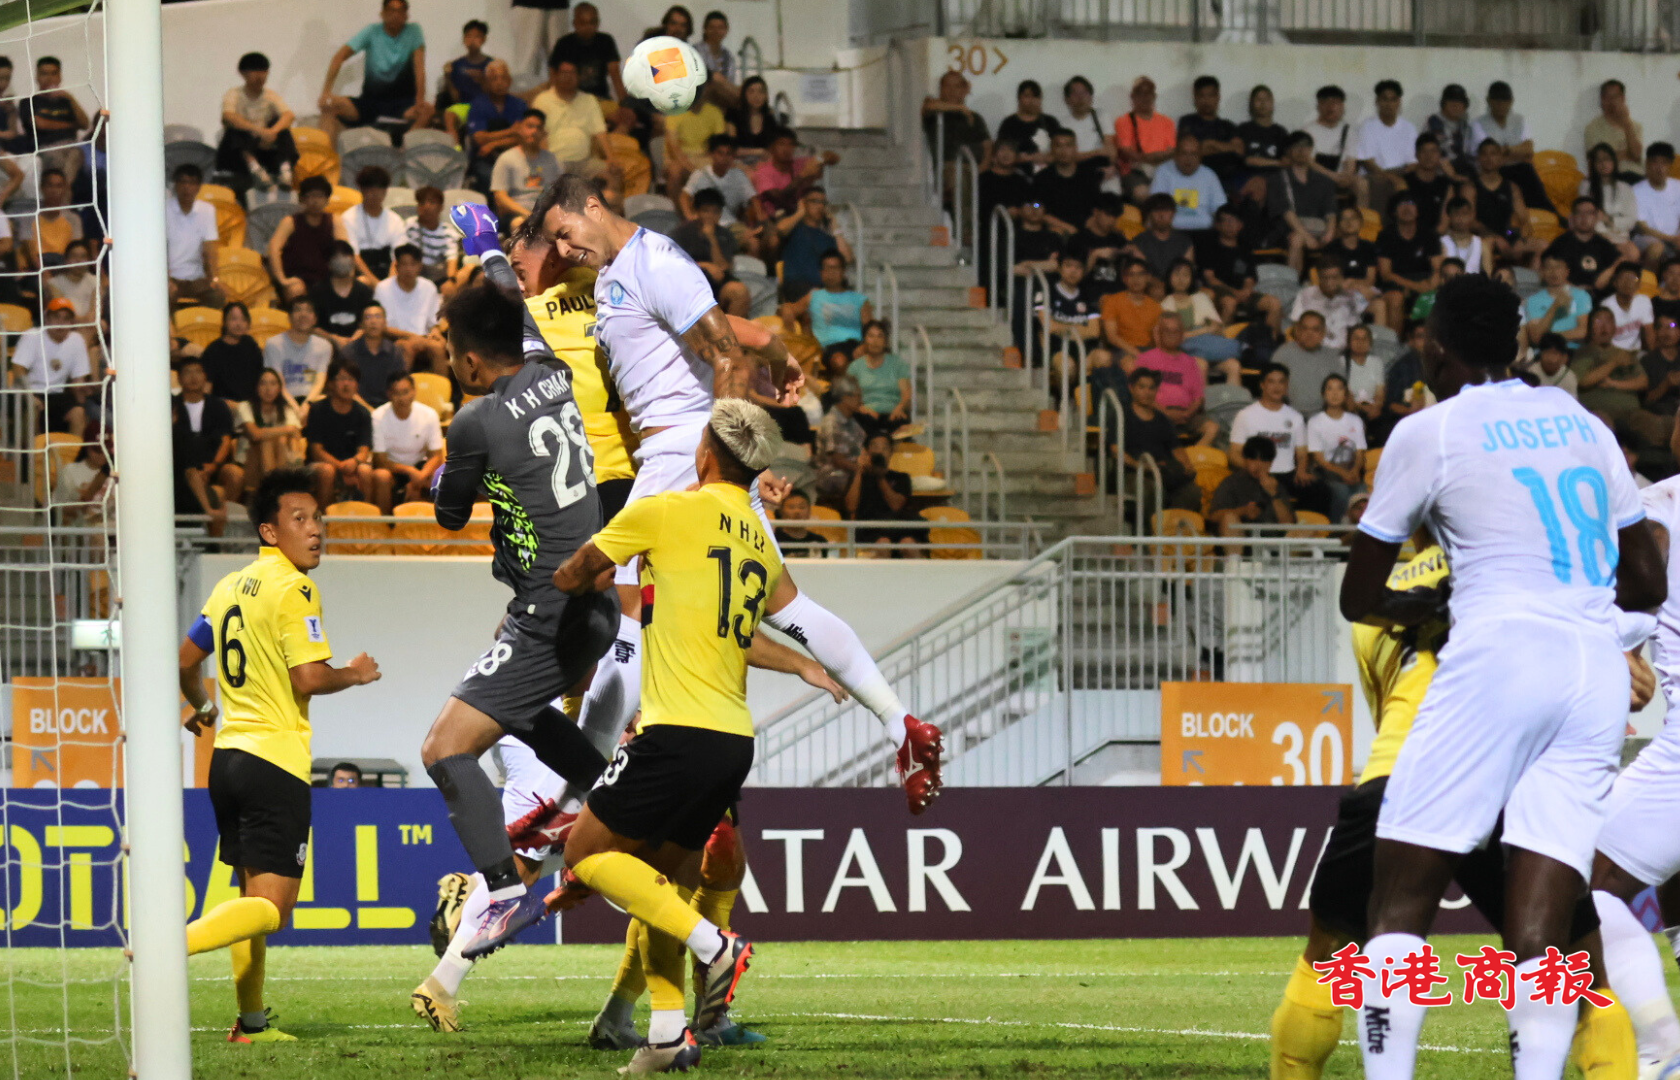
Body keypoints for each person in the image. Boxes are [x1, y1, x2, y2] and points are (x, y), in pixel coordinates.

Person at [512, 179, 944, 828]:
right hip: (691, 453)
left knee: (628, 612)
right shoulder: (615, 274)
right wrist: (777, 352)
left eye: (566, 235)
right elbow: (739, 335)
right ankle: (900, 724)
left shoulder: (656, 260)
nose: (566, 249)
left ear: (593, 208)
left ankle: (564, 803)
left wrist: (724, 464)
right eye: (557, 243)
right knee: (784, 605)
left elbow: (723, 355)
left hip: (681, 455)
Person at [1341, 271, 1664, 1080]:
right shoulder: (1583, 422)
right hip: (1591, 675)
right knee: (1542, 927)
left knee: (1399, 900)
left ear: (1433, 347)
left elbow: (1358, 595)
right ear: (1517, 343)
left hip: (1499, 656)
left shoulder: (1431, 430)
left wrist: (1423, 604)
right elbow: (1647, 582)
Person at [1268, 542, 1644, 1079]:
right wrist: (1618, 662)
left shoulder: (1376, 605)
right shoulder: (1525, 567)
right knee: (1585, 979)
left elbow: (1388, 706)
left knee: (1327, 957)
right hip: (1507, 781)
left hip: (1402, 771)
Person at [544, 400, 791, 1071]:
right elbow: (745, 626)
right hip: (733, 737)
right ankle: (665, 1034)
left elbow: (572, 574)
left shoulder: (661, 511)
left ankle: (715, 946)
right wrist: (808, 663)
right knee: (667, 883)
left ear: (703, 453)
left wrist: (581, 576)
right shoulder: (755, 535)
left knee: (584, 853)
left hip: (674, 727)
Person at [177, 467, 381, 1042]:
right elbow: (309, 678)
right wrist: (355, 673)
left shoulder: (228, 586)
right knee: (273, 910)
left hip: (228, 760)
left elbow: (186, 661)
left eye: (318, 518)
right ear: (270, 531)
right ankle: (169, 946)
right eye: (300, 519)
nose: (315, 529)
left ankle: (251, 1023)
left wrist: (205, 708)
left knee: (250, 899)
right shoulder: (296, 588)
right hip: (274, 763)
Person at [317, 0, 432, 141]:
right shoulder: (372, 31)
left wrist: (420, 100)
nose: (395, 15)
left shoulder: (414, 31)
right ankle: (324, 153)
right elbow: (339, 57)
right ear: (382, 14)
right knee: (329, 105)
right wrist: (326, 92)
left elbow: (419, 68)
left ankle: (404, 149)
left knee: (427, 110)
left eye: (400, 11)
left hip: (403, 105)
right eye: (391, 10)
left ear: (406, 16)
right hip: (370, 103)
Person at [1228, 362, 1329, 515]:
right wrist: (1255, 471)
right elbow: (1234, 453)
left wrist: (1301, 470)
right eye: (1271, 381)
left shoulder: (1295, 417)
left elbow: (1302, 453)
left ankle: (1304, 526)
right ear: (1262, 385)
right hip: (1256, 475)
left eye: (1281, 382)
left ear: (1287, 386)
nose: (1277, 387)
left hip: (1287, 475)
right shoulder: (1245, 415)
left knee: (1321, 490)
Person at [1115, 367, 1201, 512]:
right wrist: (1140, 466)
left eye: (1151, 388)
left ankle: (1172, 525)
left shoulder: (1162, 419)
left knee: (1192, 492)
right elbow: (1115, 450)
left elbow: (1176, 447)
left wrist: (1187, 465)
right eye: (1142, 387)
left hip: (1163, 470)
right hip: (1134, 472)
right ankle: (1151, 526)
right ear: (1131, 388)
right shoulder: (1121, 415)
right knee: (1150, 489)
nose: (1147, 392)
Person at [172, 358, 239, 532]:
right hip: (181, 469)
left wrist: (213, 466)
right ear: (179, 378)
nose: (193, 377)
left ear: (205, 376)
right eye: (188, 372)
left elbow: (225, 440)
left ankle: (223, 528)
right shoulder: (171, 406)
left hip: (213, 465)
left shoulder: (218, 405)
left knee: (234, 474)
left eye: (198, 372)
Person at [1470, 79, 1555, 214]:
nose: (1501, 105)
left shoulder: (1519, 120)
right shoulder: (1478, 124)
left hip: (1519, 169)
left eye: (1505, 100)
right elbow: (1490, 157)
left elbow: (1529, 150)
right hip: (1492, 172)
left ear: (1511, 101)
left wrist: (1507, 150)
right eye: (1497, 100)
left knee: (1528, 172)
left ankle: (1551, 216)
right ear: (1489, 101)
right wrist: (1517, 153)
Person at [1134, 311, 1219, 445]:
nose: (1171, 335)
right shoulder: (1145, 359)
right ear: (1159, 333)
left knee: (1212, 428)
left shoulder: (1190, 362)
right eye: (1167, 331)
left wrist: (1188, 413)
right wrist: (1166, 412)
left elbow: (1198, 397)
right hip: (1156, 413)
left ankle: (1192, 456)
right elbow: (1141, 394)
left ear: (1182, 334)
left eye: (1176, 331)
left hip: (1187, 415)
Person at [303, 359, 378, 507]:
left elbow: (364, 450)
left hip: (352, 464)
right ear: (330, 383)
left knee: (365, 471)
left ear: (357, 385)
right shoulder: (318, 410)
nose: (346, 384)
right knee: (327, 471)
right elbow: (316, 451)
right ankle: (323, 518)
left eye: (351, 379)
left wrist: (355, 462)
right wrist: (340, 466)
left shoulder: (363, 413)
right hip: (321, 465)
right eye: (342, 379)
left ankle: (367, 516)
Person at [11, 297, 90, 437]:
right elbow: (18, 368)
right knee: (33, 407)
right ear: (47, 319)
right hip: (31, 391)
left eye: (66, 319)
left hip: (58, 394)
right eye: (56, 317)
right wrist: (29, 395)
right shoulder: (32, 336)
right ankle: (34, 450)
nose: (61, 323)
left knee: (79, 413)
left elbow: (79, 380)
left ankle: (73, 450)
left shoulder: (77, 340)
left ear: (71, 323)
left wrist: (82, 394)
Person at [218, 52, 297, 191]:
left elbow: (289, 115)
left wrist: (272, 132)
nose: (260, 76)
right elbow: (228, 116)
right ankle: (255, 169)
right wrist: (260, 131)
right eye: (254, 71)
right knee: (235, 128)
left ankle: (285, 170)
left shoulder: (271, 95)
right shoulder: (234, 94)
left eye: (264, 71)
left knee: (281, 126)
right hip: (238, 155)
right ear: (243, 73)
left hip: (264, 147)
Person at [1198, 203, 1281, 334]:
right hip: (1219, 291)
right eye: (1226, 221)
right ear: (1217, 225)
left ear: (1241, 225)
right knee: (1230, 303)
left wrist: (1246, 291)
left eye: (1234, 221)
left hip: (1243, 293)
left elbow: (1249, 278)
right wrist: (1234, 292)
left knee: (1274, 303)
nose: (1230, 225)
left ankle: (1268, 341)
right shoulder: (1209, 246)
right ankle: (1221, 341)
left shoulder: (1245, 248)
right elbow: (1210, 278)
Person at [670, 189, 752, 317]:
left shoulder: (725, 235)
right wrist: (704, 265)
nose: (710, 216)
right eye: (705, 211)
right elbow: (671, 263)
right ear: (697, 211)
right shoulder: (681, 233)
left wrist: (712, 238)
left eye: (715, 212)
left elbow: (724, 267)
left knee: (740, 291)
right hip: (690, 283)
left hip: (718, 285)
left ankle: (731, 328)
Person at [1464, 136, 1541, 270]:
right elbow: (1469, 221)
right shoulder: (1470, 187)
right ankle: (1488, 281)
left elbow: (1523, 218)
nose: (1489, 158)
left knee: (1542, 245)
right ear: (1478, 159)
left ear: (1501, 158)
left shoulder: (1512, 187)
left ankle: (1531, 282)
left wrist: (1519, 236)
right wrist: (1494, 237)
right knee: (1487, 244)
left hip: (1508, 235)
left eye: (1493, 154)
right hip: (1482, 237)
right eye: (1484, 154)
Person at [269, 176, 347, 301]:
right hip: (298, 279)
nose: (315, 201)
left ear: (327, 199)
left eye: (319, 196)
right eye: (310, 196)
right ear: (302, 199)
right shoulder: (290, 222)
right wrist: (282, 280)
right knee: (296, 290)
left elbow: (344, 251)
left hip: (327, 279)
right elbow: (273, 249)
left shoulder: (335, 221)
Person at [1209, 435, 1296, 546]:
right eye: (1253, 459)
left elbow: (1288, 524)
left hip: (1273, 540)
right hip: (1242, 539)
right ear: (1245, 460)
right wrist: (1243, 511)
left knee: (1305, 531)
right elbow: (1214, 516)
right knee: (1229, 518)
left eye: (1264, 460)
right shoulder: (1231, 483)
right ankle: (1235, 557)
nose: (1258, 465)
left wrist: (1274, 495)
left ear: (1271, 463)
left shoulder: (1276, 485)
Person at [1269, 132, 1337, 274]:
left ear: (1311, 149)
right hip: (1288, 230)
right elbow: (1286, 212)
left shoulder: (1324, 180)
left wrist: (1330, 233)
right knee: (1297, 239)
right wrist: (1307, 237)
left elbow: (1331, 211)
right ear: (1289, 151)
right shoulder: (1278, 178)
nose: (1301, 150)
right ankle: (1292, 283)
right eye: (1296, 146)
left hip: (1318, 228)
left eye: (1306, 146)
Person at [371, 371, 443, 505]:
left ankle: (438, 517)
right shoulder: (378, 416)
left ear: (414, 392)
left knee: (442, 474)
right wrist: (409, 471)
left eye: (406, 392)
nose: (402, 398)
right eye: (396, 393)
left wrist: (421, 476)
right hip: (393, 468)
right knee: (381, 476)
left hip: (420, 466)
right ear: (389, 394)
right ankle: (384, 517)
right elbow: (380, 460)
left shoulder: (429, 414)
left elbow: (436, 455)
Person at [846, 431, 922, 556]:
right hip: (870, 530)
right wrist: (859, 471)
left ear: (891, 452)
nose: (880, 451)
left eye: (885, 448)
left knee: (909, 544)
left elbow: (896, 505)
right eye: (875, 447)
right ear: (866, 452)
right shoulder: (858, 478)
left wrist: (880, 477)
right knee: (883, 543)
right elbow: (850, 507)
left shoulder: (901, 478)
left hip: (897, 528)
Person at [1573, 305, 1648, 430]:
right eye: (1598, 321)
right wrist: (1614, 363)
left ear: (1614, 327)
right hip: (1600, 413)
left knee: (1658, 425)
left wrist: (1613, 384)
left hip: (1632, 414)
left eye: (1608, 321)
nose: (1604, 326)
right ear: (1590, 327)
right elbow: (1583, 381)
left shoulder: (1624, 354)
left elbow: (1643, 382)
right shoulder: (1584, 353)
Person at [1375, 192, 1441, 331]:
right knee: (1396, 298)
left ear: (1418, 210)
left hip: (1423, 281)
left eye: (1411, 203)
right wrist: (1414, 286)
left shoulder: (1429, 235)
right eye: (1401, 204)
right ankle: (1395, 343)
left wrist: (1430, 287)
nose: (1406, 208)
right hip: (1395, 284)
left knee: (1436, 295)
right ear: (1394, 211)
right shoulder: (1386, 235)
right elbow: (1386, 274)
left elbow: (1437, 268)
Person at [782, 250, 870, 356]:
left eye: (835, 268)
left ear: (843, 272)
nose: (831, 273)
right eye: (826, 268)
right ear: (821, 272)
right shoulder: (813, 296)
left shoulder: (860, 300)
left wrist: (864, 346)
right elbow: (791, 308)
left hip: (856, 347)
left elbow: (870, 329)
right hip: (827, 349)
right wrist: (786, 309)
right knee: (839, 359)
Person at [532, 60, 610, 178]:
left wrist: (611, 158)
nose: (568, 77)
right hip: (555, 160)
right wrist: (547, 161)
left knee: (613, 175)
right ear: (555, 75)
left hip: (584, 161)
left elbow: (600, 132)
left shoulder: (589, 100)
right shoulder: (542, 100)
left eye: (572, 73)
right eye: (564, 73)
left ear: (579, 77)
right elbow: (538, 134)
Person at [1306, 372, 1366, 521]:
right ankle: (1337, 528)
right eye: (1330, 389)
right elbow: (1319, 459)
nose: (1335, 393)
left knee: (1362, 492)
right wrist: (1342, 473)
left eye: (1339, 389)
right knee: (1341, 492)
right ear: (1323, 394)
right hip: (1327, 472)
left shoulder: (1355, 420)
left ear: (1345, 394)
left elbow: (1360, 452)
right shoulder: (1315, 422)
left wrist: (1354, 471)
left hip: (1351, 470)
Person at [235, 368, 304, 496]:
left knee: (281, 440)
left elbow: (296, 434)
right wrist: (286, 429)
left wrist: (285, 433)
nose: (268, 389)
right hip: (250, 464)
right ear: (256, 387)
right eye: (263, 383)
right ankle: (276, 489)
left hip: (281, 461)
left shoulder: (285, 409)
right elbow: (255, 434)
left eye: (273, 384)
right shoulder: (245, 406)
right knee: (267, 441)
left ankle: (276, 487)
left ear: (279, 388)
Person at [373, 244, 442, 370]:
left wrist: (435, 333)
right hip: (394, 339)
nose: (408, 269)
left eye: (413, 264)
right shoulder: (383, 288)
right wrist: (413, 337)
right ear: (396, 266)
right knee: (406, 347)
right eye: (404, 264)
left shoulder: (429, 287)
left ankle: (442, 383)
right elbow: (382, 327)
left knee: (438, 347)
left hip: (423, 338)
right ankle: (402, 382)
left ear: (420, 266)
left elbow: (434, 322)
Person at [461, 59, 528, 190]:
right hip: (485, 159)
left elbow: (522, 137)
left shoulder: (519, 105)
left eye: (503, 78)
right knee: (491, 179)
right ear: (486, 82)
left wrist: (493, 143)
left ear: (509, 81)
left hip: (515, 156)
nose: (499, 83)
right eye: (494, 79)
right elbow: (479, 139)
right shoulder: (478, 105)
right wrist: (511, 131)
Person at [1548, 195, 1634, 296]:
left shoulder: (1604, 244)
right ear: (1572, 217)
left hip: (1600, 297)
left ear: (1596, 217)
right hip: (1568, 296)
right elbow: (1551, 274)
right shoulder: (1560, 243)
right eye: (1579, 213)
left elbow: (1619, 262)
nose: (1584, 218)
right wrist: (1579, 293)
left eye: (1589, 213)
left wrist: (1612, 269)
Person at [773, 187, 851, 297]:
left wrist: (835, 227)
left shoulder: (827, 237)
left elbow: (847, 258)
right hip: (796, 286)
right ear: (803, 203)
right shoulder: (794, 228)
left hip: (823, 288)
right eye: (815, 201)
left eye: (823, 203)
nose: (820, 206)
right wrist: (800, 212)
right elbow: (780, 229)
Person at [1161, 257, 1240, 364]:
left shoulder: (1201, 298)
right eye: (1177, 274)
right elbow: (1174, 337)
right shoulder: (1164, 306)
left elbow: (1218, 328)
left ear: (1192, 279)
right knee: (1201, 362)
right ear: (1169, 277)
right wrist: (1204, 330)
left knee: (1234, 365)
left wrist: (1193, 333)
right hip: (1183, 352)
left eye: (1186, 275)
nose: (1181, 279)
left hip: (1208, 345)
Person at [1355, 79, 1418, 213]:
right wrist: (1392, 178)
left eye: (1393, 99)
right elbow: (1368, 163)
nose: (1389, 104)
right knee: (1381, 183)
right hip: (1376, 173)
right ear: (1377, 102)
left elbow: (1413, 162)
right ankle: (1377, 225)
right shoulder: (1367, 126)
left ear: (1399, 102)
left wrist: (1399, 176)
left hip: (1402, 172)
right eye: (1384, 99)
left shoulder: (1409, 127)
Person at [165, 164, 223, 310]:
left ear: (198, 187)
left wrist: (215, 279)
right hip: (170, 278)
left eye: (192, 183)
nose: (187, 187)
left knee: (218, 295)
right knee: (163, 296)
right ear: (175, 185)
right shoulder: (163, 209)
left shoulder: (207, 210)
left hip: (197, 279)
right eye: (183, 182)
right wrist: (165, 280)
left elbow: (210, 249)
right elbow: (158, 250)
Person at [754, 130, 840, 224]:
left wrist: (823, 158)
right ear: (771, 148)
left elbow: (832, 158)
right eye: (781, 144)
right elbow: (779, 198)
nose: (787, 149)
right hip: (775, 222)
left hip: (802, 219)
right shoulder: (763, 172)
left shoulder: (801, 163)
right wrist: (803, 175)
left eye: (791, 145)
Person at [490, 111, 560, 224]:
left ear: (543, 133)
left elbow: (560, 191)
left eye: (538, 128)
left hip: (546, 213)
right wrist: (528, 215)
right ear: (519, 129)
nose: (534, 131)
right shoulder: (506, 158)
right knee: (519, 224)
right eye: (530, 126)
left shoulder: (551, 159)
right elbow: (500, 197)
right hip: (516, 214)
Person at [1149, 131, 1225, 233]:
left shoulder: (1209, 175)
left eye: (1193, 154)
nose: (1188, 159)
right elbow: (1155, 206)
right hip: (1171, 232)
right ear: (1175, 155)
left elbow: (1220, 209)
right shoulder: (1163, 171)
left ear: (1200, 156)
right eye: (1184, 153)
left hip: (1204, 232)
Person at [1113, 76, 1174, 203]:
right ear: (1132, 96)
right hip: (1135, 171)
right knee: (1143, 194)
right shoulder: (1123, 121)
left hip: (1163, 169)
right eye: (1140, 93)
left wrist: (1155, 158)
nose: (1145, 97)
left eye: (1148, 93)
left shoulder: (1167, 122)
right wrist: (1149, 158)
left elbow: (1172, 151)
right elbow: (1126, 152)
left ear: (1154, 96)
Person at [547, 3, 624, 102]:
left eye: (592, 22)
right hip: (571, 99)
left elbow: (615, 75)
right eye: (583, 23)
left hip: (600, 99)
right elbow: (554, 76)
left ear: (598, 23)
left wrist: (624, 103)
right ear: (575, 23)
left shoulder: (606, 41)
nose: (588, 27)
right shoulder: (564, 43)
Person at [1273, 311, 1344, 417]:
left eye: (1315, 329)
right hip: (1288, 413)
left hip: (1323, 415)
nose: (1309, 334)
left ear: (1323, 333)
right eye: (1305, 328)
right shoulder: (1283, 353)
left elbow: (1342, 389)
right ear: (1297, 330)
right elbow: (1272, 387)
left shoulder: (1332, 356)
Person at [1175, 75, 1244, 186]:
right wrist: (1226, 147)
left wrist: (1211, 144)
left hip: (1227, 179)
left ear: (1218, 97)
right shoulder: (1187, 122)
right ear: (1195, 98)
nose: (1206, 101)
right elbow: (1188, 153)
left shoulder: (1228, 126)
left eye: (1210, 95)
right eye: (1202, 96)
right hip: (1196, 178)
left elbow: (1239, 150)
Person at [308, 241, 377, 350]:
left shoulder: (364, 292)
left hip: (359, 346)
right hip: (325, 346)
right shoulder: (317, 292)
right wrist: (333, 338)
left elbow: (371, 321)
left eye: (345, 256)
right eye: (337, 257)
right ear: (328, 263)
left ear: (353, 260)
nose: (342, 261)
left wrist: (358, 335)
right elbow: (311, 326)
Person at [264, 296, 332, 406]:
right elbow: (277, 384)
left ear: (315, 319)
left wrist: (307, 405)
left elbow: (319, 382)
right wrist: (296, 409)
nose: (303, 315)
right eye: (298, 310)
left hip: (311, 401)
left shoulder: (324, 346)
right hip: (281, 401)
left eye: (309, 310)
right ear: (289, 318)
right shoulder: (274, 344)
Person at [343, 166, 405, 284]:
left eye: (379, 189)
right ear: (362, 190)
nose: (375, 194)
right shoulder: (349, 217)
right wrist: (376, 284)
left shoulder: (395, 220)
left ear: (385, 191)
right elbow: (354, 256)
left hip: (388, 269)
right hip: (361, 271)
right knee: (363, 282)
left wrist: (389, 283)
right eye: (370, 189)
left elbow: (398, 256)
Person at [681, 134, 758, 228]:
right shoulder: (700, 174)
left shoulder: (739, 176)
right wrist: (690, 217)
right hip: (704, 225)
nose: (724, 158)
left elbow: (754, 200)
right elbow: (684, 197)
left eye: (728, 154)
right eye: (720, 153)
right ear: (712, 154)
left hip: (731, 225)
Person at [1033, 130, 1101, 236]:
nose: (1063, 151)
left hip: (1087, 230)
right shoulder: (1042, 178)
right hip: (1056, 231)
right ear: (1052, 149)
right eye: (1058, 146)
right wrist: (1068, 228)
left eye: (1068, 146)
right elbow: (1039, 209)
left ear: (1075, 148)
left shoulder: (1089, 176)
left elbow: (1096, 207)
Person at [1523, 250, 1593, 351]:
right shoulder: (1532, 300)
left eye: (1558, 267)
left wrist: (1549, 337)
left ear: (1567, 271)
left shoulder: (1581, 295)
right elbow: (1536, 338)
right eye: (1549, 267)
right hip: (1544, 353)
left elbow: (1582, 332)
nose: (1553, 272)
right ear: (1542, 271)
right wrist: (1555, 306)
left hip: (1572, 351)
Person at [1288, 260, 1366, 350]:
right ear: (1318, 277)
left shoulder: (1354, 297)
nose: (1329, 282)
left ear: (1342, 278)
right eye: (1325, 278)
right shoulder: (1305, 295)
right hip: (1314, 350)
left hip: (1345, 351)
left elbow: (1359, 329)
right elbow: (1296, 326)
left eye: (1334, 278)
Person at [342, 303, 407, 409]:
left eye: (378, 316)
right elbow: (346, 389)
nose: (373, 321)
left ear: (385, 323)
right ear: (361, 324)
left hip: (387, 409)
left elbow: (399, 386)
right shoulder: (349, 352)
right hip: (355, 408)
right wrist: (369, 411)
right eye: (368, 317)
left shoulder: (395, 352)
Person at [1100, 257, 1163, 367]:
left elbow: (1159, 338)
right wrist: (1136, 353)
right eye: (1131, 274)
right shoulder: (1112, 301)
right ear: (1124, 278)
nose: (1136, 279)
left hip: (1148, 350)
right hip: (1121, 350)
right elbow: (1112, 336)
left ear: (1148, 277)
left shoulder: (1156, 307)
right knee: (1132, 364)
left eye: (1140, 274)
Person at [663, 94, 729, 197]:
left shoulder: (714, 111)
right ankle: (676, 207)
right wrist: (692, 169)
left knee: (732, 170)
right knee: (675, 171)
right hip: (679, 159)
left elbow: (720, 143)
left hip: (706, 157)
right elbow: (674, 148)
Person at [1303, 84, 1360, 202]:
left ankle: (1360, 214)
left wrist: (1347, 177)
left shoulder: (1349, 131)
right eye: (1325, 102)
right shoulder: (1307, 131)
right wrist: (1333, 177)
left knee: (1361, 184)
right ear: (1318, 106)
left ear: (1342, 107)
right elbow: (1309, 162)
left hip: (1341, 177)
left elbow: (1351, 161)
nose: (1330, 107)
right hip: (1317, 177)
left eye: (1335, 102)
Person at [1584, 142, 1642, 258]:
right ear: (1593, 164)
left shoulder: (1625, 188)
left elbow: (1631, 220)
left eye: (1607, 159)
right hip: (1596, 236)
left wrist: (1608, 220)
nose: (1603, 164)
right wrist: (1605, 232)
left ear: (1614, 162)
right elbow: (1586, 217)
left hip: (1620, 237)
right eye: (1599, 161)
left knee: (1633, 254)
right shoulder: (1586, 187)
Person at [814, 375, 867, 499]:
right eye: (858, 396)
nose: (861, 401)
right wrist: (863, 471)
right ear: (845, 398)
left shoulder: (852, 421)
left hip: (852, 470)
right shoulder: (831, 422)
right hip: (833, 474)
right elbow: (837, 460)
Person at [200, 301, 263, 405]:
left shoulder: (250, 344)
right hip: (224, 405)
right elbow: (207, 386)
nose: (239, 324)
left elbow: (261, 376)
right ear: (224, 322)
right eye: (234, 319)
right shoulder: (213, 350)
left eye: (243, 319)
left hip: (251, 404)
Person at [1126, 192, 1193, 288]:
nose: (1161, 215)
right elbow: (1140, 273)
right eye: (1156, 211)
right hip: (1150, 287)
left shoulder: (1185, 242)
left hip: (1178, 286)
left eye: (1166, 211)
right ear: (1149, 214)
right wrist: (1158, 285)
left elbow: (1187, 271)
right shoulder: (1139, 242)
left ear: (1173, 213)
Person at [1053, 75, 1115, 177]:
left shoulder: (1101, 116)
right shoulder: (1062, 124)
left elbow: (1110, 150)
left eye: (1084, 93)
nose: (1080, 97)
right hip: (1076, 173)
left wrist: (1110, 165)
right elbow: (1066, 157)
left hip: (1103, 169)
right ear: (1067, 99)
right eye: (1075, 93)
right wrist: (1097, 152)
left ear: (1091, 97)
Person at [407, 187, 465, 296]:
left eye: (432, 202)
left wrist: (451, 281)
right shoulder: (409, 226)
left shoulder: (449, 232)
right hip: (414, 277)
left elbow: (452, 260)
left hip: (439, 278)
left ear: (441, 207)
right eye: (422, 203)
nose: (426, 207)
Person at [1633, 315, 1680, 449]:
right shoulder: (1648, 361)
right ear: (1655, 332)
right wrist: (1666, 384)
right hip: (1661, 413)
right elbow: (1646, 401)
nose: (1666, 332)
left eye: (1671, 326)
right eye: (1660, 327)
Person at [995, 79, 1061, 168]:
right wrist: (1029, 158)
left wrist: (1047, 157)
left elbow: (1061, 151)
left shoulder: (1050, 122)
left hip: (1048, 172)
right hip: (1017, 172)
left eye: (1035, 96)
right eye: (1027, 96)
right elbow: (1001, 155)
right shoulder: (1009, 124)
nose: (1032, 100)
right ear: (1019, 98)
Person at [1585, 78, 1644, 177]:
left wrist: (1627, 125)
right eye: (1607, 97)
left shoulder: (1635, 126)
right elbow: (1595, 163)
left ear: (1623, 99)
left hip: (1636, 175)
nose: (1611, 102)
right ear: (1601, 100)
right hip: (1609, 178)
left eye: (1615, 97)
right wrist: (1627, 154)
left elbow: (1636, 156)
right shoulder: (1593, 128)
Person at [1634, 142, 1680, 268]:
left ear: (1670, 165)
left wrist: (1676, 239)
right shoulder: (1636, 190)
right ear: (1647, 164)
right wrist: (1671, 239)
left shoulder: (1678, 187)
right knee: (1657, 248)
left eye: (1664, 163)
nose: (1659, 168)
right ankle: (1650, 280)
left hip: (1675, 238)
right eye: (1655, 162)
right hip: (1648, 238)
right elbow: (1643, 228)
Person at [1401, 133, 1456, 236]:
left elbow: (1444, 223)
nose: (1429, 156)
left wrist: (1429, 240)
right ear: (1416, 155)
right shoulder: (1405, 183)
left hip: (1435, 238)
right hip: (1409, 237)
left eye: (1433, 151)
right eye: (1424, 151)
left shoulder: (1446, 185)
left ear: (1439, 155)